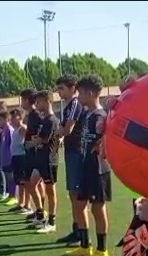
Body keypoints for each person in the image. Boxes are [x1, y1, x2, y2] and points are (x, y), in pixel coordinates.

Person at [63, 75, 111, 256]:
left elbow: (108, 140)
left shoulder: (101, 117)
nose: (78, 96)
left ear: (90, 93)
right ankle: (85, 245)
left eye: (81, 92)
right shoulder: (87, 114)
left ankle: (102, 250)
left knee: (98, 208)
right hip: (85, 166)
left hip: (98, 169)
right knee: (78, 204)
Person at [55, 75, 85, 245]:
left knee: (77, 195)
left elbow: (68, 129)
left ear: (73, 88)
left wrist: (57, 133)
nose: (59, 92)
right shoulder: (68, 106)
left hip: (77, 152)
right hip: (71, 152)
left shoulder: (74, 103)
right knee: (73, 194)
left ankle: (81, 233)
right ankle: (77, 230)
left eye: (62, 88)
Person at [28, 90, 60, 234]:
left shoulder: (52, 120)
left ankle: (52, 221)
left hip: (49, 159)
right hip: (40, 158)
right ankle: (40, 214)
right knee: (31, 184)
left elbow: (44, 139)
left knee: (50, 190)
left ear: (47, 102)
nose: (37, 104)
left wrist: (34, 141)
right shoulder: (42, 120)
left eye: (39, 102)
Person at [21, 89, 46, 223]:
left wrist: (31, 143)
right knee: (29, 183)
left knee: (33, 183)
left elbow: (40, 134)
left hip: (35, 155)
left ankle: (41, 212)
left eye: (22, 100)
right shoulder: (30, 115)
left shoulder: (36, 115)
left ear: (27, 100)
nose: (21, 103)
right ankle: (39, 210)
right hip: (29, 154)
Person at [9, 109, 30, 214]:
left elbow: (28, 139)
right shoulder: (15, 130)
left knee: (24, 182)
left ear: (20, 118)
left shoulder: (23, 128)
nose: (11, 120)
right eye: (11, 117)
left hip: (22, 157)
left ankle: (27, 205)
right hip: (16, 157)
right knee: (19, 182)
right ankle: (21, 203)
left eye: (14, 117)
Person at [0, 111, 18, 207]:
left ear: (6, 119)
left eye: (0, 120)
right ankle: (10, 195)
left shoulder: (9, 130)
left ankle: (14, 196)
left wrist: (10, 157)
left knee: (11, 178)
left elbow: (12, 145)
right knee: (7, 177)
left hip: (9, 159)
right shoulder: (4, 131)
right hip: (4, 159)